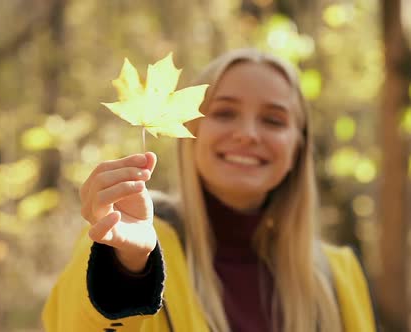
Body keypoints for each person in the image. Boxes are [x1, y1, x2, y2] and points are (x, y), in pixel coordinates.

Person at [42, 48, 376, 332]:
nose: (247, 134)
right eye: (225, 113)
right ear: (194, 132)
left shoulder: (339, 275)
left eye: (273, 120)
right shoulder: (126, 234)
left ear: (298, 148)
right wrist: (129, 266)